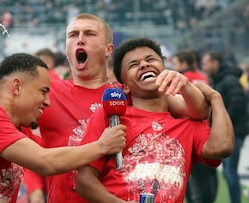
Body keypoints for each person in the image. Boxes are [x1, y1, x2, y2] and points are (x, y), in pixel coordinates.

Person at [0, 14, 210, 203]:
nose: (80, 40)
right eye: (72, 35)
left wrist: (200, 90)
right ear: (67, 50)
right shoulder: (48, 93)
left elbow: (196, 112)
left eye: (89, 34)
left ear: (108, 49)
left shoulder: (131, 93)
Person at [0, 50, 127, 203]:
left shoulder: (11, 127)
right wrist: (102, 146)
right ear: (17, 87)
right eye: (43, 91)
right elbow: (45, 162)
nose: (48, 101)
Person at [75, 37, 234, 203]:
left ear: (165, 70)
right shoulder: (112, 116)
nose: (144, 64)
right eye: (133, 64)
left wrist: (216, 98)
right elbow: (84, 181)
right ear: (126, 86)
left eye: (150, 59)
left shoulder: (187, 122)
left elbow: (221, 148)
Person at [172, 50, 218, 203]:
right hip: (207, 130)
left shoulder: (183, 79)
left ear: (184, 63)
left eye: (176, 63)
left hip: (191, 132)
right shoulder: (202, 77)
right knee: (209, 175)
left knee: (193, 179)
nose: (174, 67)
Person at [201, 51, 248, 203]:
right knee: (228, 172)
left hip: (234, 132)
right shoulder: (220, 79)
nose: (204, 67)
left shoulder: (228, 80)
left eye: (206, 64)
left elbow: (238, 105)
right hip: (231, 132)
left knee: (230, 172)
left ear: (215, 63)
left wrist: (223, 124)